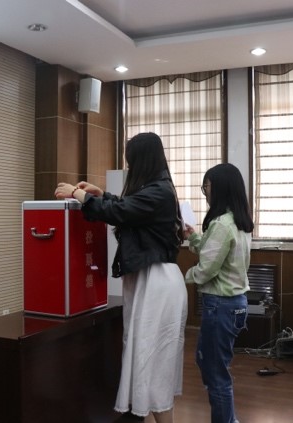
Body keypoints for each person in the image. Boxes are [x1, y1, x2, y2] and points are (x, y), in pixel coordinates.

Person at [54, 132, 188, 423]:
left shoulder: (159, 191)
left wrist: (79, 195)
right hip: (152, 280)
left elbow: (122, 211)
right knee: (149, 360)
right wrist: (101, 195)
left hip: (157, 283)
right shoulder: (158, 188)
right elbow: (129, 207)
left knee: (153, 362)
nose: (129, 167)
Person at [184, 163, 254, 423]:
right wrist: (193, 237)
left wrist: (180, 277)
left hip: (221, 306)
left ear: (220, 187)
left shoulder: (222, 224)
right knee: (212, 366)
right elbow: (212, 252)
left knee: (216, 374)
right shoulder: (237, 221)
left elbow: (205, 270)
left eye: (207, 186)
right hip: (234, 304)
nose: (205, 192)